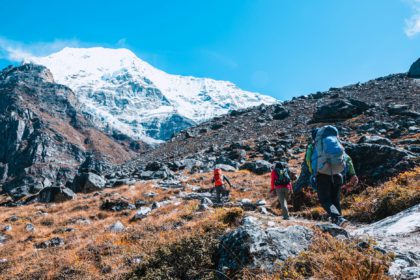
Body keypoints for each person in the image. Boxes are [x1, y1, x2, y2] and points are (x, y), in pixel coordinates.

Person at [306, 125, 358, 226]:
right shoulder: (336, 143)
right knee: (335, 200)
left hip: (322, 175)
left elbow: (308, 160)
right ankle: (339, 221)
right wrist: (353, 174)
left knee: (325, 199)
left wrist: (314, 172)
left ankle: (338, 219)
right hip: (338, 174)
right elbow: (348, 159)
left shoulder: (313, 146)